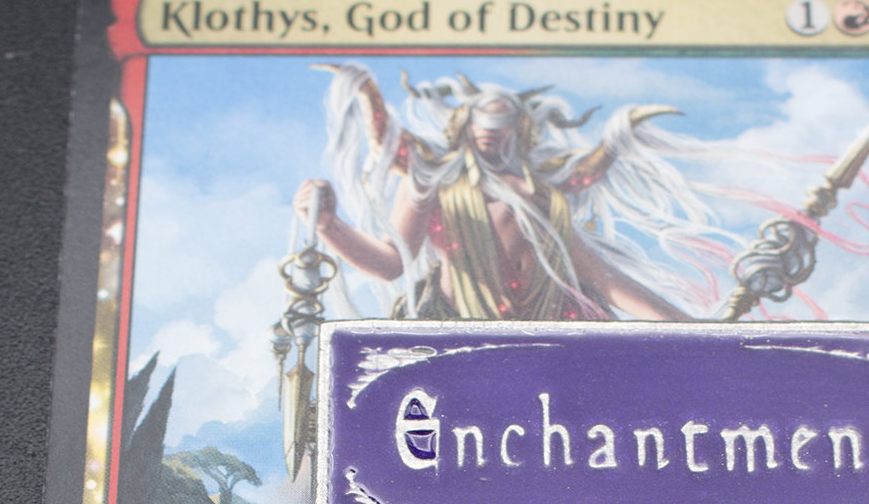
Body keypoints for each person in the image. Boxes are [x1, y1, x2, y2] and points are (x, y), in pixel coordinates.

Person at [293, 66, 732, 323]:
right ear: (464, 128)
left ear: (518, 132)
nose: (491, 136)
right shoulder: (432, 182)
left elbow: (599, 277)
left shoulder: (540, 196)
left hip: (553, 331)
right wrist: (330, 226)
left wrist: (688, 328)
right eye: (482, 127)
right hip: (456, 332)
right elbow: (391, 263)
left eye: (501, 129)